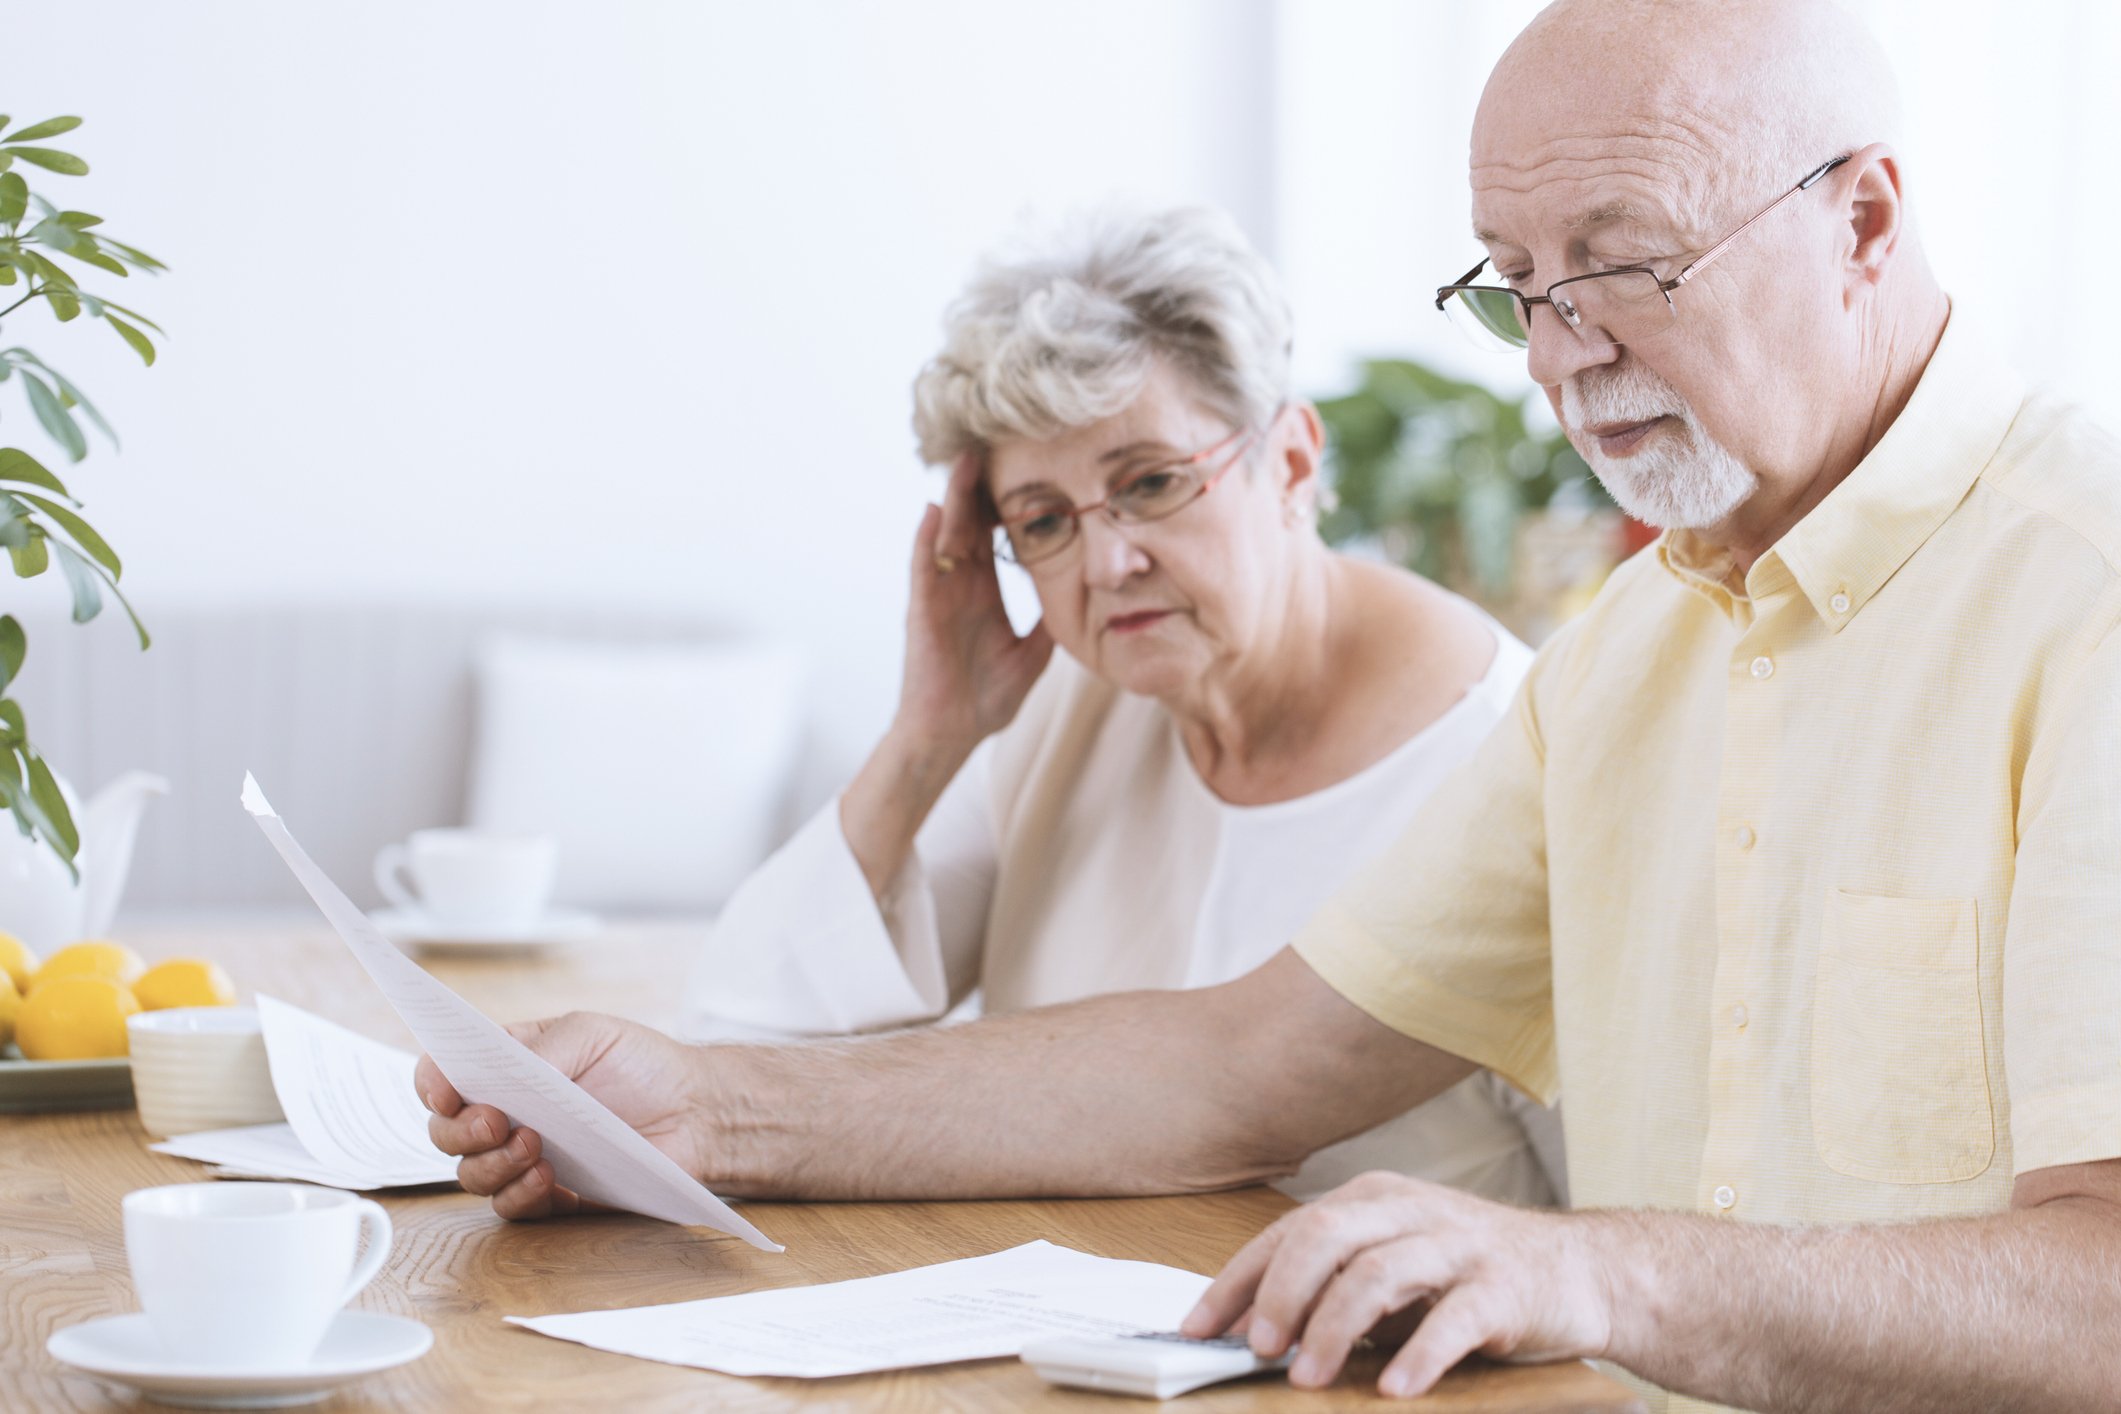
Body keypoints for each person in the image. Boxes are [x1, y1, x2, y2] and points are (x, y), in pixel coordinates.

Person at [420, 1, 2121, 1407]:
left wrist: (1602, 1265)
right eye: (1517, 280)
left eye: (1622, 263)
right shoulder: (1629, 656)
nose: (1556, 353)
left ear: (1867, 218)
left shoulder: (2085, 589)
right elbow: (1243, 1061)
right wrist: (693, 1108)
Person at [679, 205, 1561, 1206]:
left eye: (1149, 482)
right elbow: (736, 1045)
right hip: (1050, 1341)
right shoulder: (1072, 707)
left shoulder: (1510, 749)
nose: (1106, 562)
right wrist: (928, 738)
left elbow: (1619, 1231)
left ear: (1293, 462)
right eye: (1043, 521)